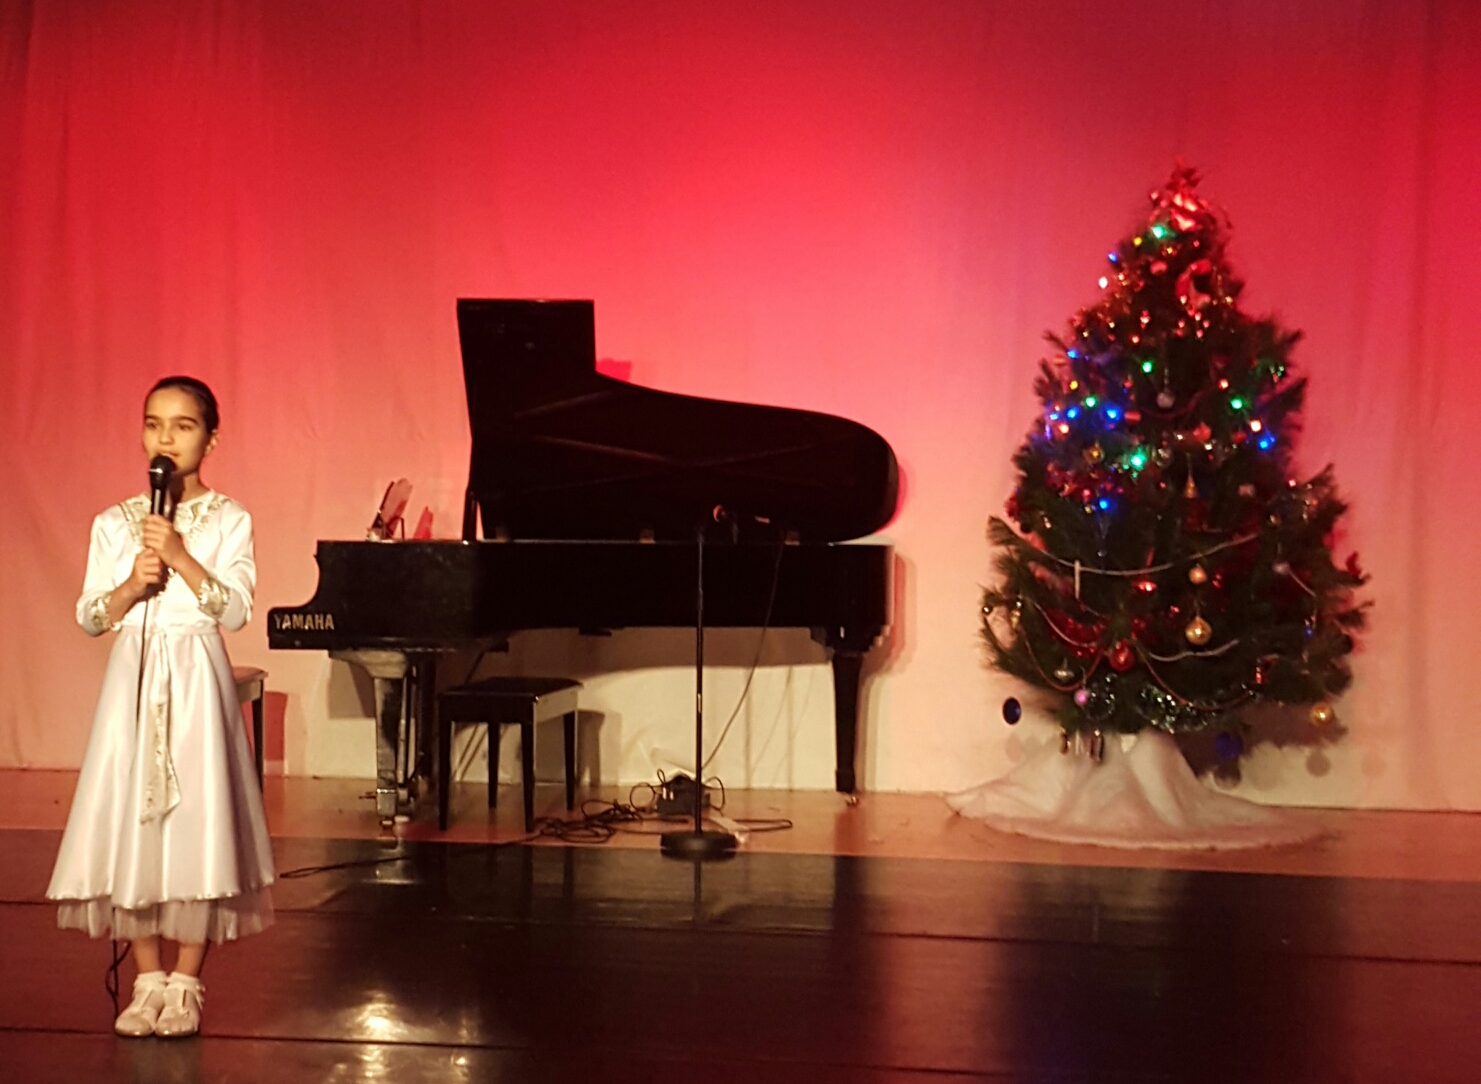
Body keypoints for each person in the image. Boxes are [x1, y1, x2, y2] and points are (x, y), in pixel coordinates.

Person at [46, 376, 275, 1038]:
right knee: (136, 820)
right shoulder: (115, 521)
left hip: (196, 675)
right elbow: (91, 616)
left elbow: (234, 609)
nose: (165, 438)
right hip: (135, 679)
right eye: (153, 424)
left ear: (211, 439)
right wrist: (129, 586)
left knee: (196, 817)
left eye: (182, 425)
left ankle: (186, 981)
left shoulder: (230, 518)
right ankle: (147, 979)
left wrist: (180, 556)